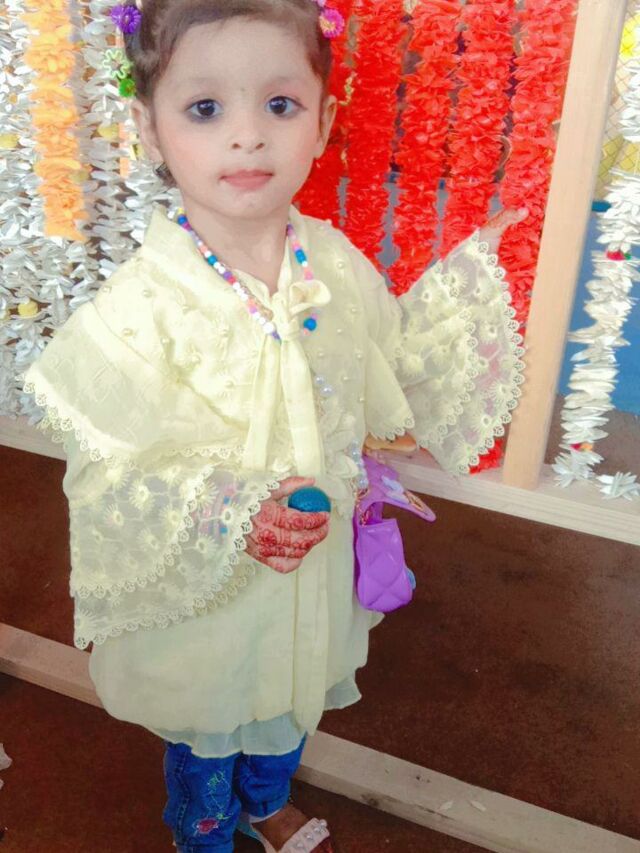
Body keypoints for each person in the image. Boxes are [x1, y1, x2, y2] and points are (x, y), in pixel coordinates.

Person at [22, 1, 528, 850]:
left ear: (321, 123)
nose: (248, 136)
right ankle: (205, 829)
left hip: (313, 563)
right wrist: (229, 507)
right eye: (205, 108)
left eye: (280, 105)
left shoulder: (332, 260)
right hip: (216, 585)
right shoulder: (139, 306)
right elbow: (111, 468)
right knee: (210, 726)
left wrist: (469, 292)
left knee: (293, 698)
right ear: (149, 130)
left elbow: (389, 359)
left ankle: (265, 798)